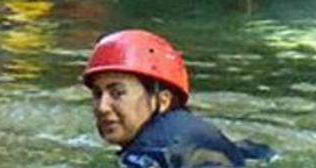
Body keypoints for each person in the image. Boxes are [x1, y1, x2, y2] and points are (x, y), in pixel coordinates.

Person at [84, 29, 275, 167]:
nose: (102, 107)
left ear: (163, 100)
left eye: (117, 93)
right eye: (97, 94)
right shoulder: (197, 135)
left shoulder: (148, 155)